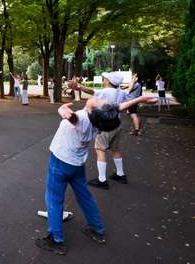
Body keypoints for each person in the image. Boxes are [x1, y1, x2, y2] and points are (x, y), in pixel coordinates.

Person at [35, 95, 157, 255]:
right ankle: (97, 229)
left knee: (54, 199)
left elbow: (72, 118)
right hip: (78, 164)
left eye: (100, 102)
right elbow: (117, 108)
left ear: (94, 111)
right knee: (85, 196)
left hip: (61, 162)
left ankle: (56, 240)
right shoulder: (101, 119)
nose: (99, 99)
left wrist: (62, 110)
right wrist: (141, 99)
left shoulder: (82, 118)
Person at [75, 72, 130, 189]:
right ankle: (120, 174)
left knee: (100, 149)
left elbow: (91, 91)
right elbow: (128, 97)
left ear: (109, 81)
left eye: (104, 79)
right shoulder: (121, 92)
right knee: (115, 149)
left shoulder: (105, 92)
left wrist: (78, 85)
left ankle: (102, 180)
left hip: (105, 125)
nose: (103, 80)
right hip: (117, 124)